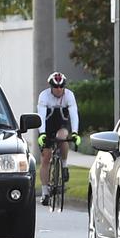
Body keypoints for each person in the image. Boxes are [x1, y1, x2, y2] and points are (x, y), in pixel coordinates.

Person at [36, 71, 81, 206]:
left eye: (61, 86)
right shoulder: (44, 96)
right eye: (55, 87)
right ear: (51, 87)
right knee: (46, 157)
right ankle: (45, 192)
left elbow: (73, 114)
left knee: (62, 137)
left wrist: (75, 133)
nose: (59, 89)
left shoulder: (69, 95)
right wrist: (42, 133)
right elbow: (41, 116)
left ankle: (64, 165)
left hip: (62, 123)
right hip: (47, 126)